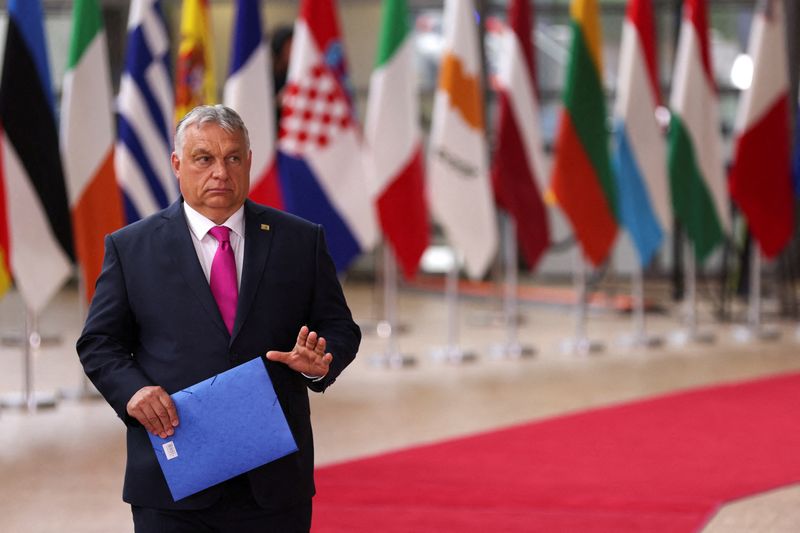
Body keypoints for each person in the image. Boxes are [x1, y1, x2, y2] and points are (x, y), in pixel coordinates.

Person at [76, 104, 360, 532]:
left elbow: (340, 327)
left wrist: (323, 362)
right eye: (203, 158)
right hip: (172, 479)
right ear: (177, 164)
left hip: (274, 483)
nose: (220, 173)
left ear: (249, 161)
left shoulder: (300, 240)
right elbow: (99, 342)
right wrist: (132, 392)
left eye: (232, 158)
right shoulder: (131, 247)